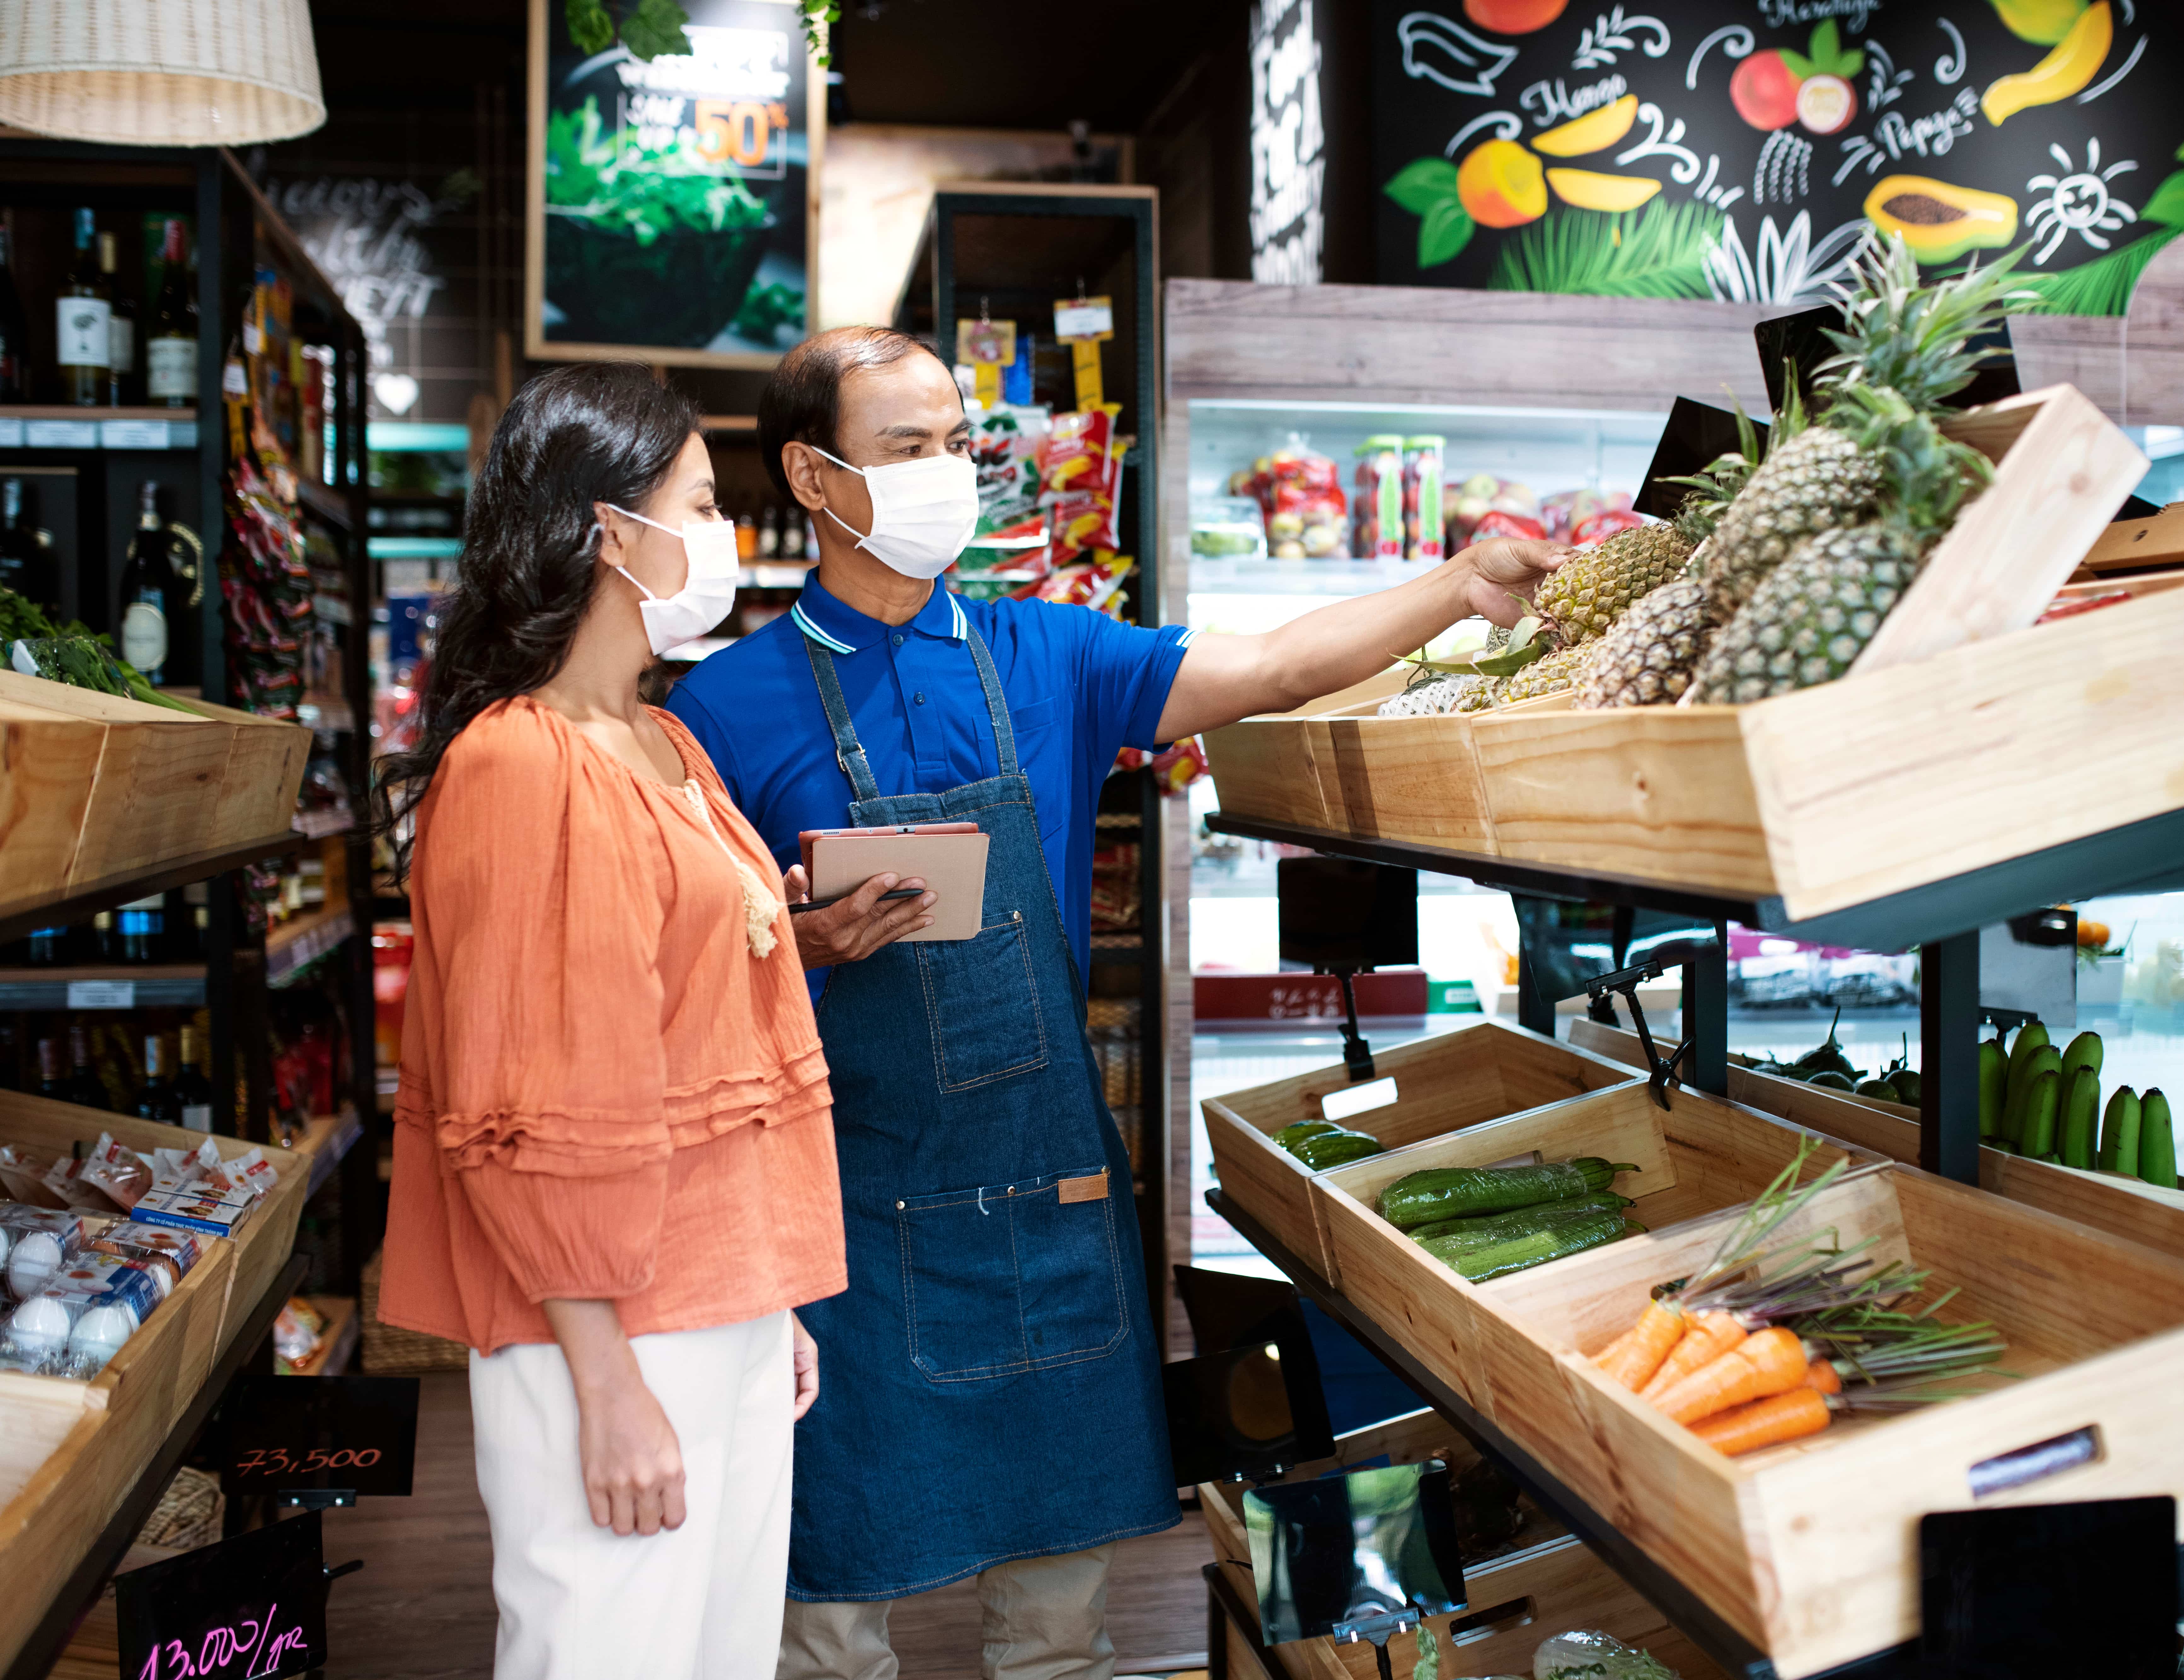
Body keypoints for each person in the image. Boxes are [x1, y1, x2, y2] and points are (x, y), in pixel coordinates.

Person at [665, 326, 1566, 1680]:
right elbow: (676, 968)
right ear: (811, 473)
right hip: (843, 1218)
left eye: (957, 444)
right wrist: (800, 940)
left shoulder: (1052, 655)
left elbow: (1270, 668)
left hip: (1046, 1198)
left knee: (1058, 1633)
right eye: (908, 448)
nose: (948, 473)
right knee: (825, 1625)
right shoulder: (719, 709)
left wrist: (1454, 588)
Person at [377, 361, 850, 1680]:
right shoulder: (518, 763)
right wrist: (604, 1376)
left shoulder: (664, 740)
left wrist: (768, 1299)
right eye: (700, 504)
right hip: (607, 1324)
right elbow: (522, 1103)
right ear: (606, 527)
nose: (724, 538)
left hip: (723, 1300)